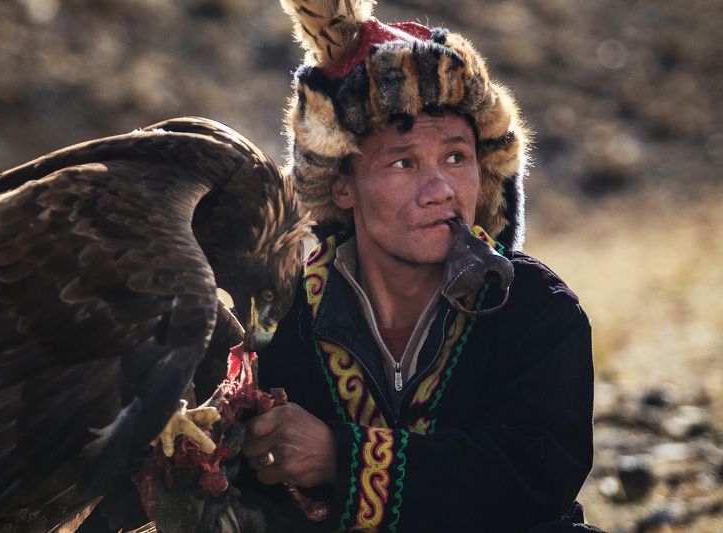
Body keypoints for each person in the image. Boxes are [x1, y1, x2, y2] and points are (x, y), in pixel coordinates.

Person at [235, 1, 599, 531]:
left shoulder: (536, 309)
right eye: (403, 162)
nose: (440, 191)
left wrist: (344, 457)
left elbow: (535, 481)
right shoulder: (278, 315)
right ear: (342, 184)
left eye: (456, 157)